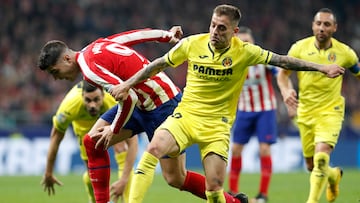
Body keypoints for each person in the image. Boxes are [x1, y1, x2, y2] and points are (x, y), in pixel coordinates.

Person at [108, 4, 345, 203]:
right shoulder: (192, 44)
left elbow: (282, 60)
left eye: (222, 28)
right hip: (186, 116)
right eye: (212, 25)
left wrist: (322, 67)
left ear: (234, 31)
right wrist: (127, 84)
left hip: (217, 127)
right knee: (153, 150)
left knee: (214, 189)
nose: (214, 32)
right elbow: (156, 65)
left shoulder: (246, 52)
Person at [37, 27, 244, 203]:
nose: (58, 79)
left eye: (56, 72)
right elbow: (131, 37)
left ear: (66, 58)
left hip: (163, 105)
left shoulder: (89, 70)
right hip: (141, 104)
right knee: (92, 141)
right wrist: (165, 35)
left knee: (175, 178)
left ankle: (233, 201)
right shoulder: (96, 46)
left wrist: (114, 128)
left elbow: (128, 99)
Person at [276, 8, 360, 203]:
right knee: (311, 165)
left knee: (321, 157)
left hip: (331, 111)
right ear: (313, 26)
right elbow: (282, 75)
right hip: (305, 112)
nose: (322, 28)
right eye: (319, 23)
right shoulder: (299, 48)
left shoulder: (345, 53)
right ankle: (333, 176)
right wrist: (286, 91)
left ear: (335, 28)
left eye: (327, 24)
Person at [41, 80, 138, 203]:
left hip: (109, 125)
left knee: (121, 147)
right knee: (91, 174)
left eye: (96, 100)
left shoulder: (114, 100)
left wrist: (124, 180)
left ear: (103, 95)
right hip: (84, 133)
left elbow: (133, 141)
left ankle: (129, 201)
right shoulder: (69, 106)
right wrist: (48, 172)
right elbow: (55, 138)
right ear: (82, 97)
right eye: (88, 100)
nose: (92, 105)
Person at [228, 26, 279, 203]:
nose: (244, 45)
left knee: (264, 148)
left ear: (253, 43)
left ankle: (262, 195)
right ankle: (233, 192)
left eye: (247, 42)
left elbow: (279, 72)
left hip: (265, 109)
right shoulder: (231, 62)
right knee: (235, 150)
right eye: (241, 42)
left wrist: (286, 90)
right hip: (243, 110)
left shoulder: (262, 58)